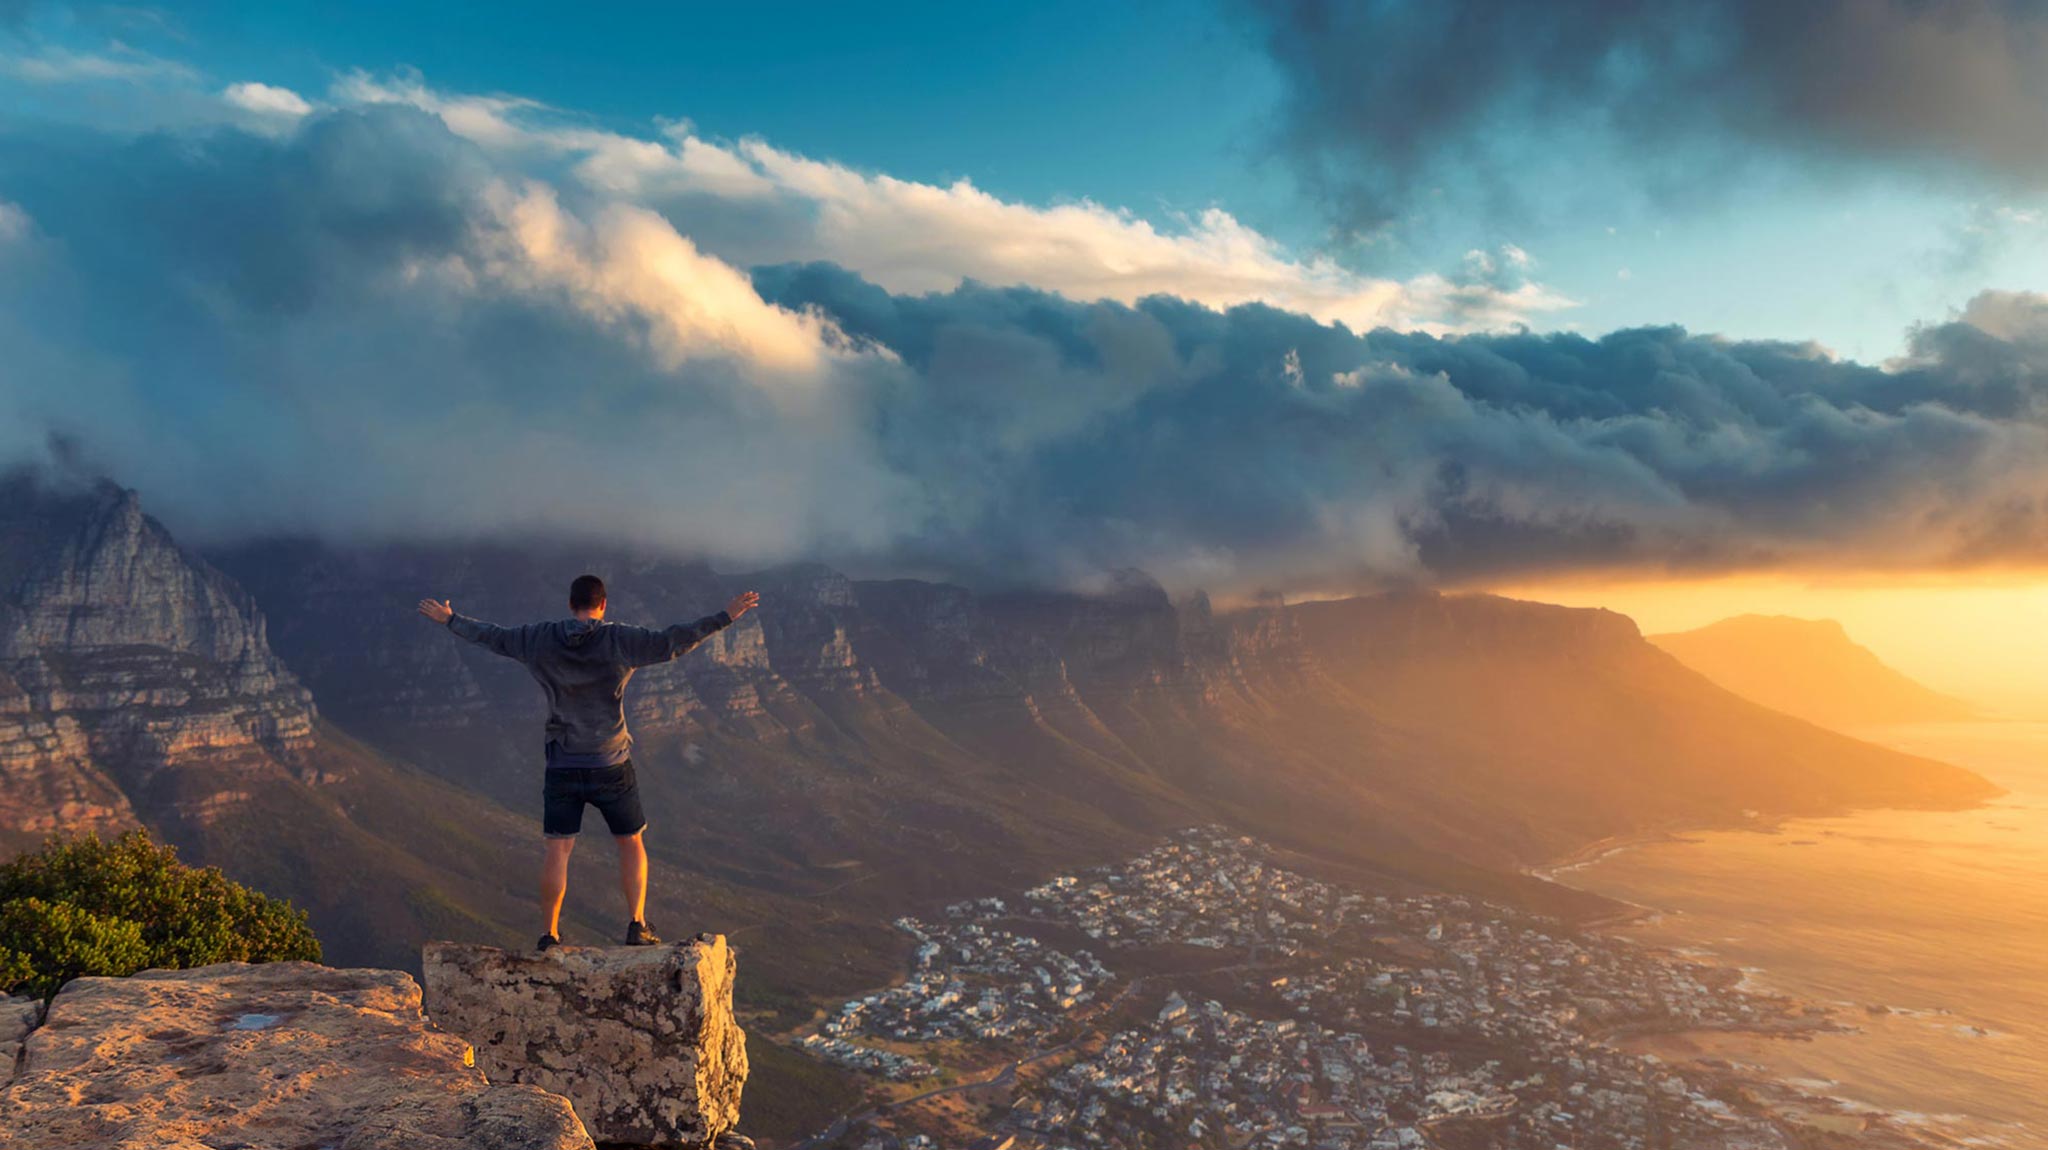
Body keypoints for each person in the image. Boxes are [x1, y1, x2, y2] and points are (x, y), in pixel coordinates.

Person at [416, 574, 760, 950]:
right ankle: (637, 924)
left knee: (558, 849)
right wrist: (725, 616)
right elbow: (672, 641)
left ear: (570, 605)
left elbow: (495, 636)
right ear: (604, 604)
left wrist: (451, 620)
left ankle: (549, 934)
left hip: (562, 761)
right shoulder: (619, 639)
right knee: (630, 842)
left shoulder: (540, 638)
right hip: (611, 761)